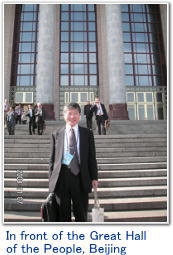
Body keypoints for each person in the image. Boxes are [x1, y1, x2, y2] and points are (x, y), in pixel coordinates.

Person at [49, 102, 98, 222]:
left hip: (81, 177)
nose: (72, 116)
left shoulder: (87, 133)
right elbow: (52, 159)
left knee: (81, 214)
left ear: (80, 115)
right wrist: (51, 181)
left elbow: (92, 157)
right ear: (64, 115)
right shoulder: (56, 134)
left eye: (75, 113)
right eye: (69, 113)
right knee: (62, 215)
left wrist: (94, 177)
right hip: (62, 177)